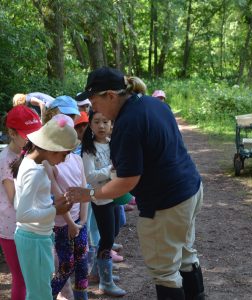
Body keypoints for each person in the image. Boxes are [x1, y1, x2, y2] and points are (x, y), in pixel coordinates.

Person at [67, 67, 205, 300]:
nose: (93, 108)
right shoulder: (153, 104)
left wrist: (88, 194)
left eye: (93, 101)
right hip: (190, 189)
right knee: (186, 255)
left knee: (165, 272)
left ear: (111, 95)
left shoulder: (128, 123)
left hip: (166, 204)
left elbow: (127, 182)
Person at [12, 116, 78, 300]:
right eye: (65, 154)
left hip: (35, 238)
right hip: (34, 239)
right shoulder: (35, 171)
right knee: (40, 295)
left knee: (39, 291)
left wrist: (53, 207)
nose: (64, 160)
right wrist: (55, 210)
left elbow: (20, 204)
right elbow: (22, 214)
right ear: (53, 149)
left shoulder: (30, 162)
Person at [80, 110, 126, 297]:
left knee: (115, 229)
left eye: (105, 122)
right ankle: (106, 283)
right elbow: (89, 176)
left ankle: (97, 272)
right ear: (90, 125)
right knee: (106, 239)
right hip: (100, 198)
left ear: (111, 125)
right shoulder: (88, 150)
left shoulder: (112, 144)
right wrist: (110, 169)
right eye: (97, 122)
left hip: (115, 194)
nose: (101, 126)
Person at [42, 115, 89, 300]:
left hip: (79, 221)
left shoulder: (77, 160)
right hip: (62, 224)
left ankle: (81, 297)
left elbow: (84, 191)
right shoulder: (50, 163)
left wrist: (82, 221)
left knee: (82, 264)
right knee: (66, 265)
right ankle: (49, 294)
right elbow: (59, 196)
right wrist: (70, 223)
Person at [0, 105, 42, 300]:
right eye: (27, 134)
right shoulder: (5, 160)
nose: (32, 139)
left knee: (32, 276)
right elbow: (15, 200)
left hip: (28, 224)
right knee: (21, 278)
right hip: (11, 229)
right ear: (11, 133)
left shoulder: (27, 153)